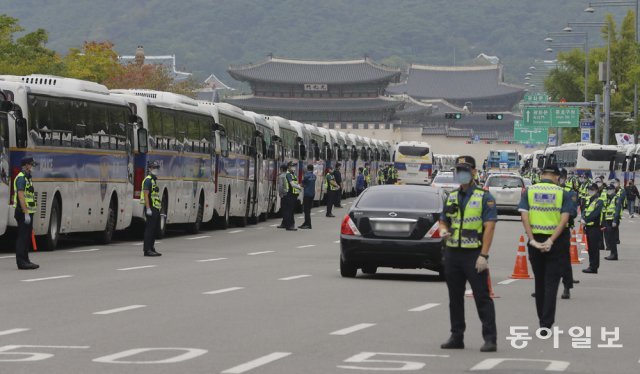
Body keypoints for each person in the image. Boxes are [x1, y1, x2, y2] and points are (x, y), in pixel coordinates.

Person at [439, 156, 497, 353]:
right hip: (453, 252)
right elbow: (443, 219)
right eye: (458, 170)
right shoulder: (452, 196)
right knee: (454, 298)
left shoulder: (484, 197)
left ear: (473, 172)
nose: (461, 174)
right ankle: (457, 336)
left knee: (482, 297)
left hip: (474, 254)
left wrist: (484, 255)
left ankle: (490, 339)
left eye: (465, 170)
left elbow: (489, 227)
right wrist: (442, 230)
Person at [518, 163, 574, 332]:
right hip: (556, 242)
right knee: (551, 283)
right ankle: (546, 323)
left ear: (542, 175)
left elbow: (524, 216)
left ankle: (541, 317)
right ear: (557, 176)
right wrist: (551, 240)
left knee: (540, 281)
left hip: (535, 241)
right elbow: (564, 219)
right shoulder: (562, 193)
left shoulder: (529, 191)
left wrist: (532, 239)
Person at [14, 157, 39, 270]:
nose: (32, 167)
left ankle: (26, 260)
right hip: (23, 212)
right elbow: (20, 196)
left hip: (28, 212)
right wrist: (26, 213)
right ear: (26, 165)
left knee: (27, 237)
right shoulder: (21, 178)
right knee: (23, 237)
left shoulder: (27, 178)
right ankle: (21, 262)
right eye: (31, 165)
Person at [558, 168, 578, 300]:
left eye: (560, 177)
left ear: (565, 178)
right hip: (547, 229)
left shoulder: (570, 193)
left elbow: (573, 212)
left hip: (563, 229)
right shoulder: (549, 191)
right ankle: (540, 287)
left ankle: (566, 287)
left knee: (564, 260)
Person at [581, 183, 604, 274]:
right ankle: (591, 265)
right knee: (590, 248)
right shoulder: (588, 199)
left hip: (595, 227)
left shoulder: (599, 201)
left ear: (596, 190)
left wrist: (585, 220)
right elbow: (584, 210)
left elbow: (596, 213)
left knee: (594, 248)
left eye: (592, 190)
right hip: (588, 227)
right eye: (589, 189)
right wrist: (583, 218)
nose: (590, 191)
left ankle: (594, 267)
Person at [142, 161, 162, 257]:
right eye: (154, 168)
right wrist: (148, 208)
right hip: (151, 208)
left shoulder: (154, 180)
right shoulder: (148, 180)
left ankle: (152, 248)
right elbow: (146, 195)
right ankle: (147, 250)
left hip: (155, 208)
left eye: (157, 168)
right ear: (149, 169)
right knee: (150, 230)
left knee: (154, 230)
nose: (156, 170)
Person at [603, 184, 621, 261]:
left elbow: (617, 210)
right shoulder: (608, 198)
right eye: (607, 190)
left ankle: (614, 255)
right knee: (610, 238)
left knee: (612, 238)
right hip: (608, 220)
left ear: (614, 190)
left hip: (613, 221)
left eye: (610, 190)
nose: (608, 191)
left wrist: (615, 221)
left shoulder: (616, 198)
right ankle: (612, 254)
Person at [283, 162, 302, 231]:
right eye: (292, 166)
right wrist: (299, 187)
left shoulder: (293, 174)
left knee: (291, 211)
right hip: (289, 194)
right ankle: (289, 226)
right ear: (288, 167)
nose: (294, 167)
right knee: (289, 211)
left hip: (293, 195)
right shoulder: (288, 174)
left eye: (294, 166)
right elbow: (292, 184)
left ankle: (291, 225)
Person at [299, 164, 316, 229]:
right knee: (308, 210)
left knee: (306, 210)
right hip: (312, 194)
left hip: (307, 194)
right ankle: (306, 223)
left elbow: (302, 184)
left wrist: (302, 185)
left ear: (307, 169)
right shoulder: (314, 176)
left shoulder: (306, 176)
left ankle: (308, 224)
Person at [276, 164, 289, 229]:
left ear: (281, 169)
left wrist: (280, 194)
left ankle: (284, 223)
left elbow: (281, 186)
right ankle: (287, 222)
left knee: (284, 209)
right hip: (289, 194)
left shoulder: (281, 176)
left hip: (284, 194)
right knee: (288, 209)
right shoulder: (289, 175)